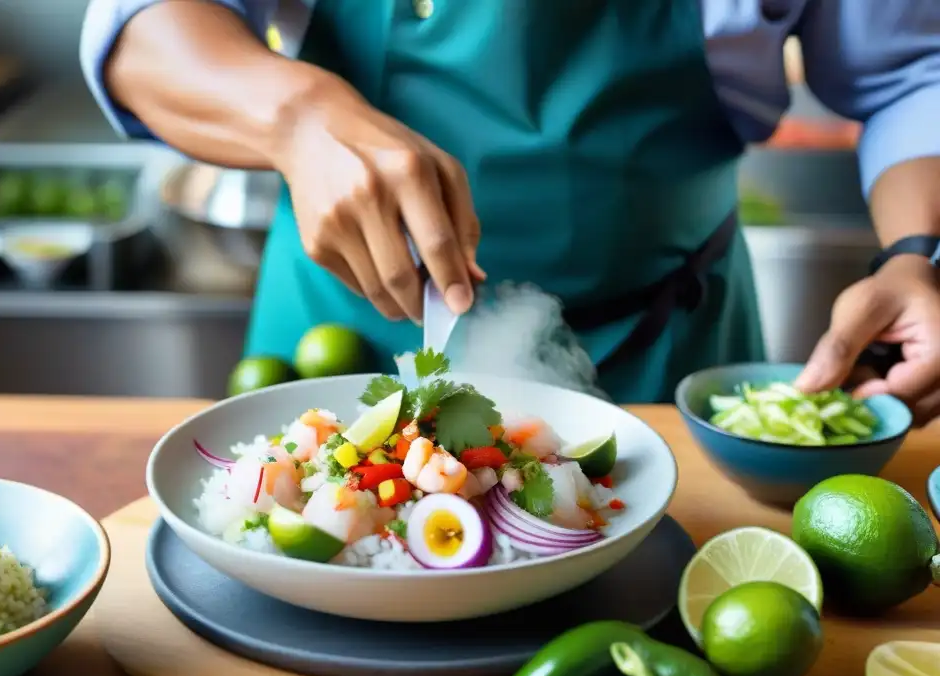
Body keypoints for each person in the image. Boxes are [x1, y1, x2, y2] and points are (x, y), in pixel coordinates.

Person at [81, 0, 940, 420]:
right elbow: (138, 29)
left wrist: (916, 250)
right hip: (343, 344)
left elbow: (909, 72)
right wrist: (294, 116)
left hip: (666, 359)